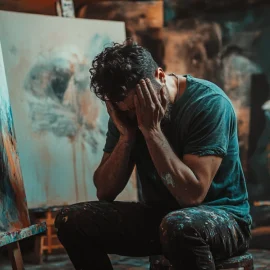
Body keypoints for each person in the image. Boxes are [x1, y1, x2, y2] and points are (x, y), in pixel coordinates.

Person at [55, 39, 252, 270]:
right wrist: (126, 137)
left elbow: (192, 196)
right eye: (127, 110)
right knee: (71, 221)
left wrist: (151, 131)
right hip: (163, 217)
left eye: (140, 106)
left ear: (159, 75)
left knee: (178, 226)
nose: (135, 115)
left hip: (224, 218)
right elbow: (105, 191)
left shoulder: (208, 103)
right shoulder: (125, 115)